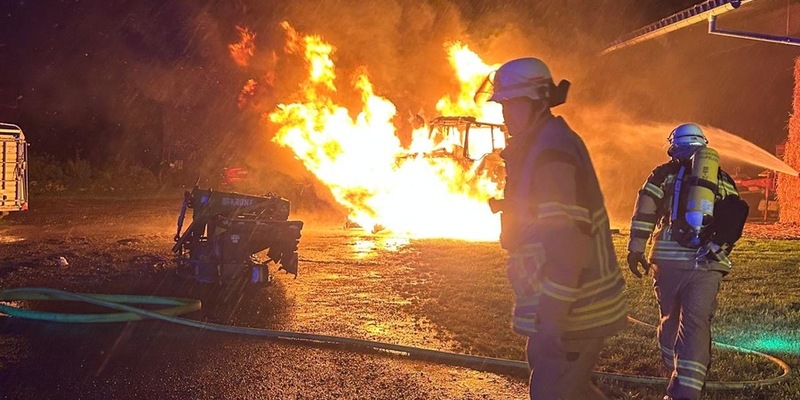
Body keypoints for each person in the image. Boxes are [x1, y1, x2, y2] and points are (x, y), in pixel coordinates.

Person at [482, 57, 627, 400]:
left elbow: (569, 243)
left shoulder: (550, 153)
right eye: (501, 104)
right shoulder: (539, 145)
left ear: (533, 101)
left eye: (509, 104)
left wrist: (551, 320)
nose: (503, 114)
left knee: (552, 393)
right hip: (565, 306)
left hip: (575, 310)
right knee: (568, 390)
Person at [627, 123, 748, 400]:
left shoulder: (663, 174)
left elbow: (645, 210)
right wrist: (718, 248)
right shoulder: (722, 177)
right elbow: (734, 216)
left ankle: (675, 370)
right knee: (695, 323)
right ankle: (686, 389)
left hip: (668, 260)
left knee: (670, 319)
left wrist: (636, 249)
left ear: (674, 146)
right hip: (707, 262)